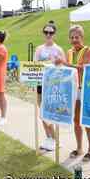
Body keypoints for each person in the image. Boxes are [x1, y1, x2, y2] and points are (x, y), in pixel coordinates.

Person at [34, 21, 66, 151]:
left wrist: (57, 63)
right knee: (42, 112)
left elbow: (63, 66)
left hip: (53, 86)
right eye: (46, 32)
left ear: (54, 34)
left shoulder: (58, 49)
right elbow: (34, 66)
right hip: (40, 84)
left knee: (51, 113)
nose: (48, 34)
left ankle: (55, 139)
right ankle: (49, 138)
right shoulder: (39, 49)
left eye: (51, 32)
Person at [65, 25, 90, 161]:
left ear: (82, 37)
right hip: (73, 90)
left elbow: (83, 68)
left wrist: (65, 65)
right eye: (72, 37)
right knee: (76, 121)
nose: (74, 40)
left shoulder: (88, 50)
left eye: (76, 37)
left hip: (86, 90)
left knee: (87, 121)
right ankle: (79, 148)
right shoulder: (69, 52)